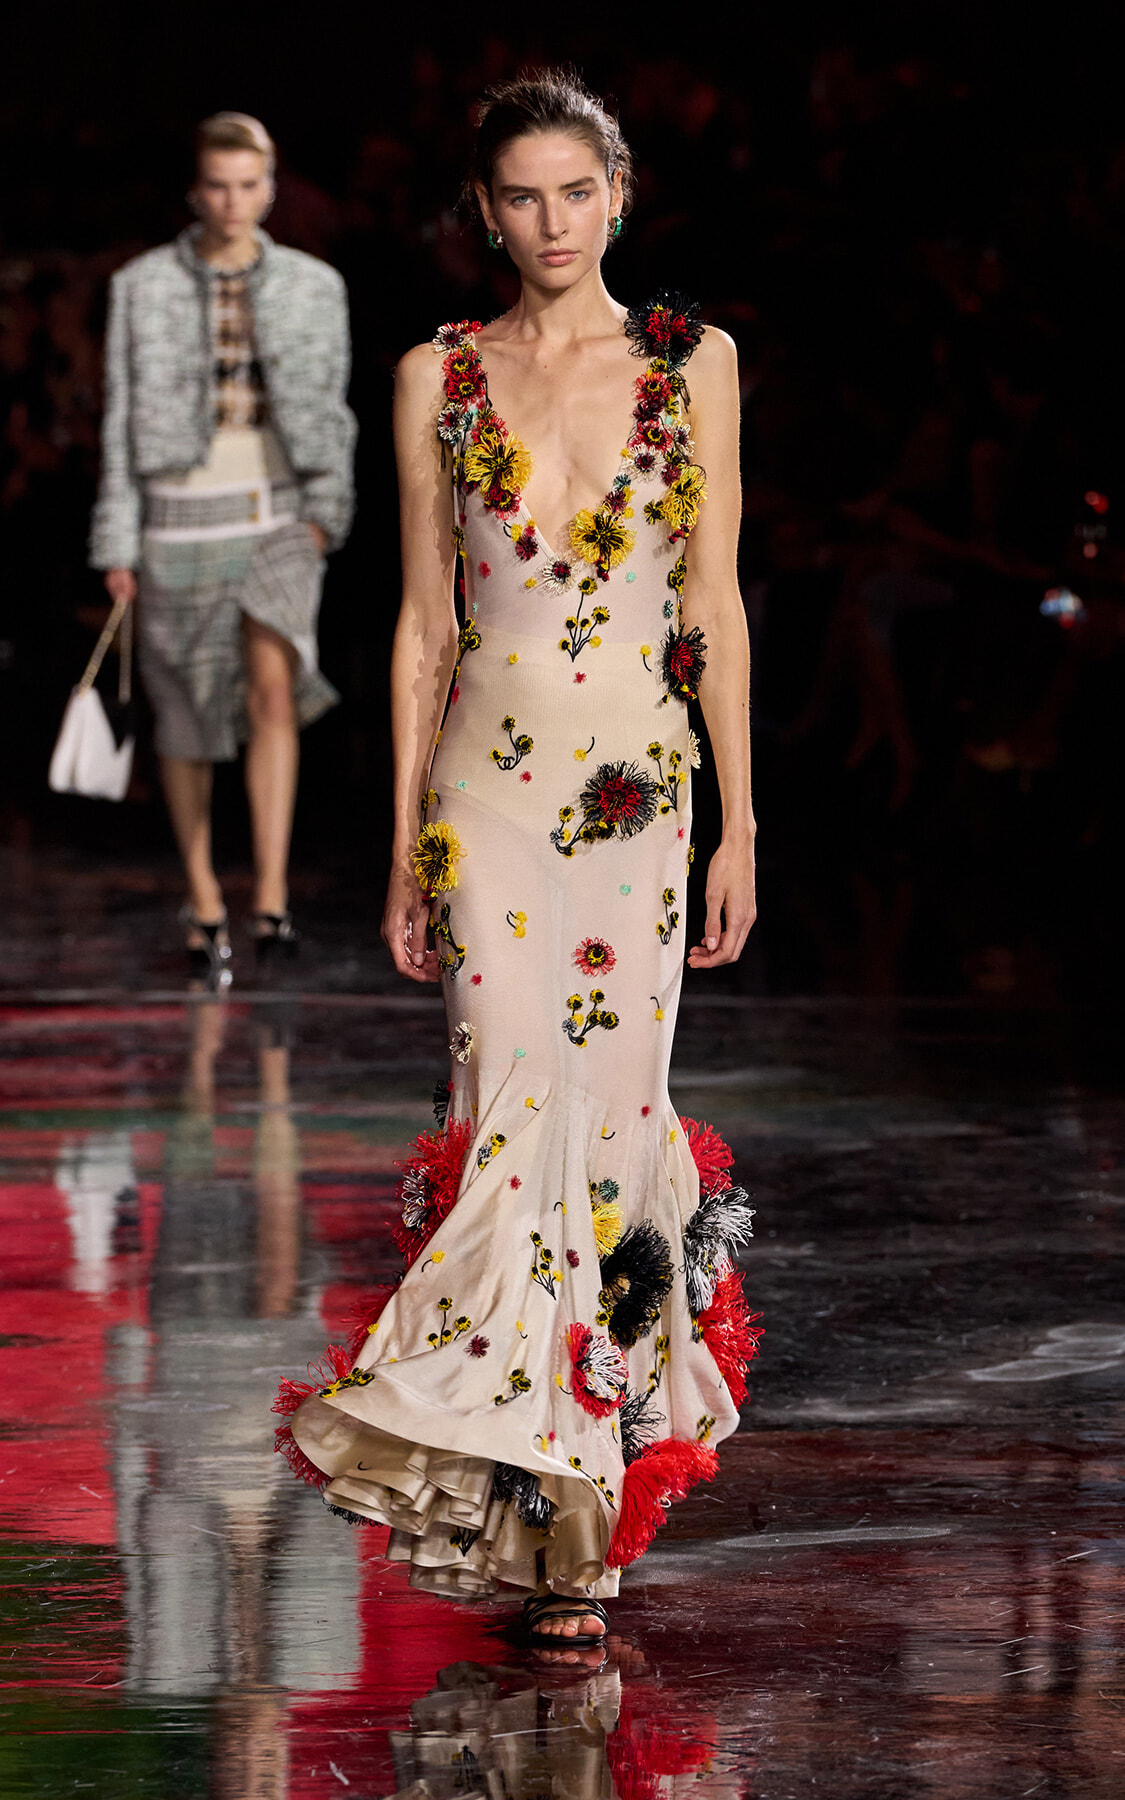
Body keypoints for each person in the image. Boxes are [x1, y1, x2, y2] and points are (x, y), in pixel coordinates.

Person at [275, 70, 757, 1644]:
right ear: (485, 214)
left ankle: (585, 1528)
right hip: (485, 794)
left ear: (617, 193)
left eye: (575, 191)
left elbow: (715, 606)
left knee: (610, 1141)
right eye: (520, 198)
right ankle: (516, 1499)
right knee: (504, 1120)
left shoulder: (697, 366)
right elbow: (423, 620)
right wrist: (410, 838)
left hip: (638, 792)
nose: (550, 223)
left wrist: (743, 816)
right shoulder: (439, 373)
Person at [90, 112, 356, 980]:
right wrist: (117, 539)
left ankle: (272, 895)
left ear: (271, 189)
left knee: (273, 693)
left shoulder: (316, 285)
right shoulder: (141, 286)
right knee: (187, 714)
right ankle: (205, 892)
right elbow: (121, 419)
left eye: (249, 185)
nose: (233, 201)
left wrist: (327, 511)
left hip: (276, 507)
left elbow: (333, 409)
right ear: (194, 190)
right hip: (177, 514)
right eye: (217, 185)